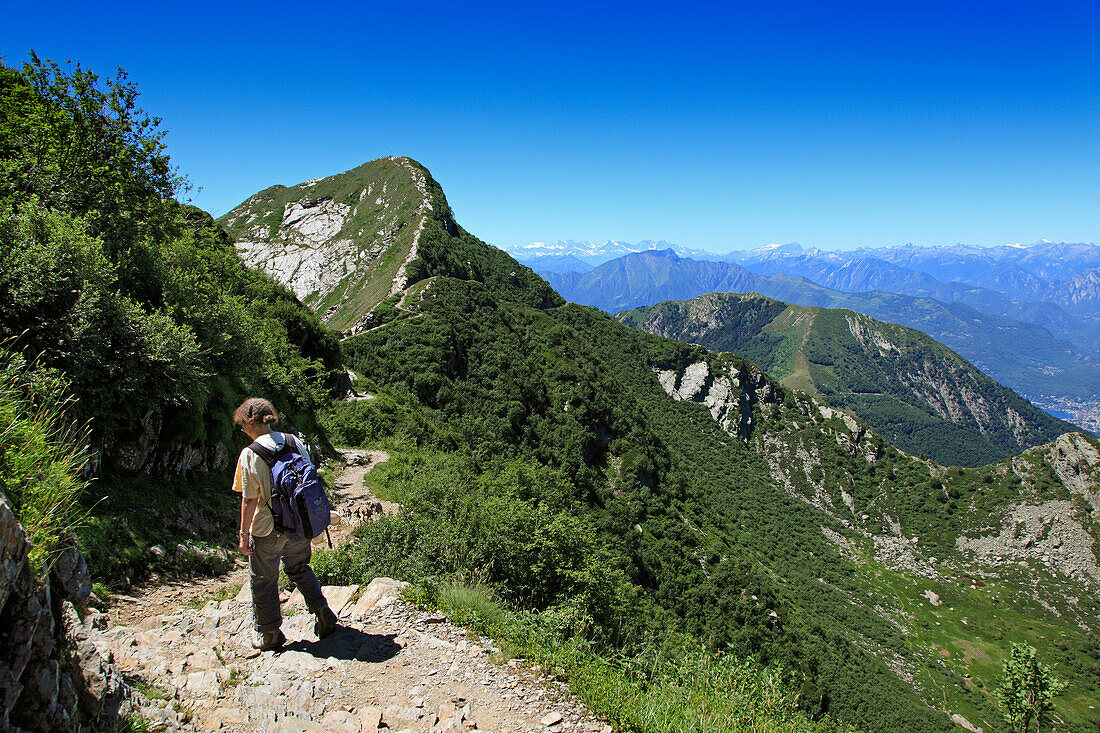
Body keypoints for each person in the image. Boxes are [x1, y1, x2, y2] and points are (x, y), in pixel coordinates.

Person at [232, 397, 338, 650]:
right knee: (300, 568)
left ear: (248, 423)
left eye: (241, 425)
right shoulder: (293, 441)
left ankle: (269, 634)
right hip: (299, 523)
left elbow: (249, 499)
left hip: (267, 528)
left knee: (263, 579)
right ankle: (323, 612)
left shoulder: (250, 453)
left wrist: (243, 534)